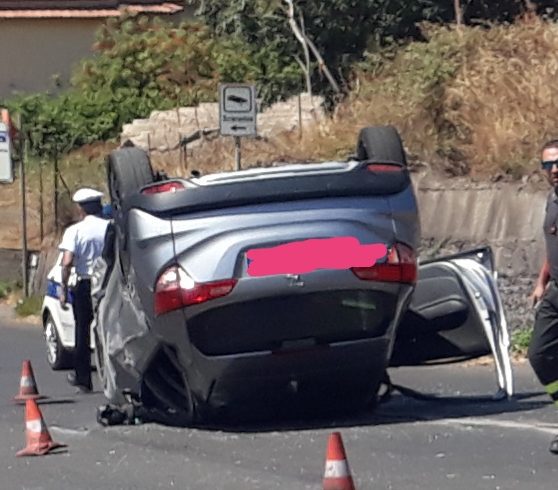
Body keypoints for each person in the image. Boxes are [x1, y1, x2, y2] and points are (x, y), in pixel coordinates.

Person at [58, 187, 110, 393]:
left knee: (82, 330)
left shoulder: (75, 231)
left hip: (84, 282)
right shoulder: (110, 227)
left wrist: (63, 287)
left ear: (81, 209)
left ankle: (83, 378)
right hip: (107, 282)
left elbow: (67, 261)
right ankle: (112, 375)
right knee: (108, 329)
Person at [528, 139, 558, 454]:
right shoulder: (552, 200)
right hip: (555, 292)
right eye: (548, 165)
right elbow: (553, 248)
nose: (554, 169)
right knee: (539, 354)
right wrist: (541, 282)